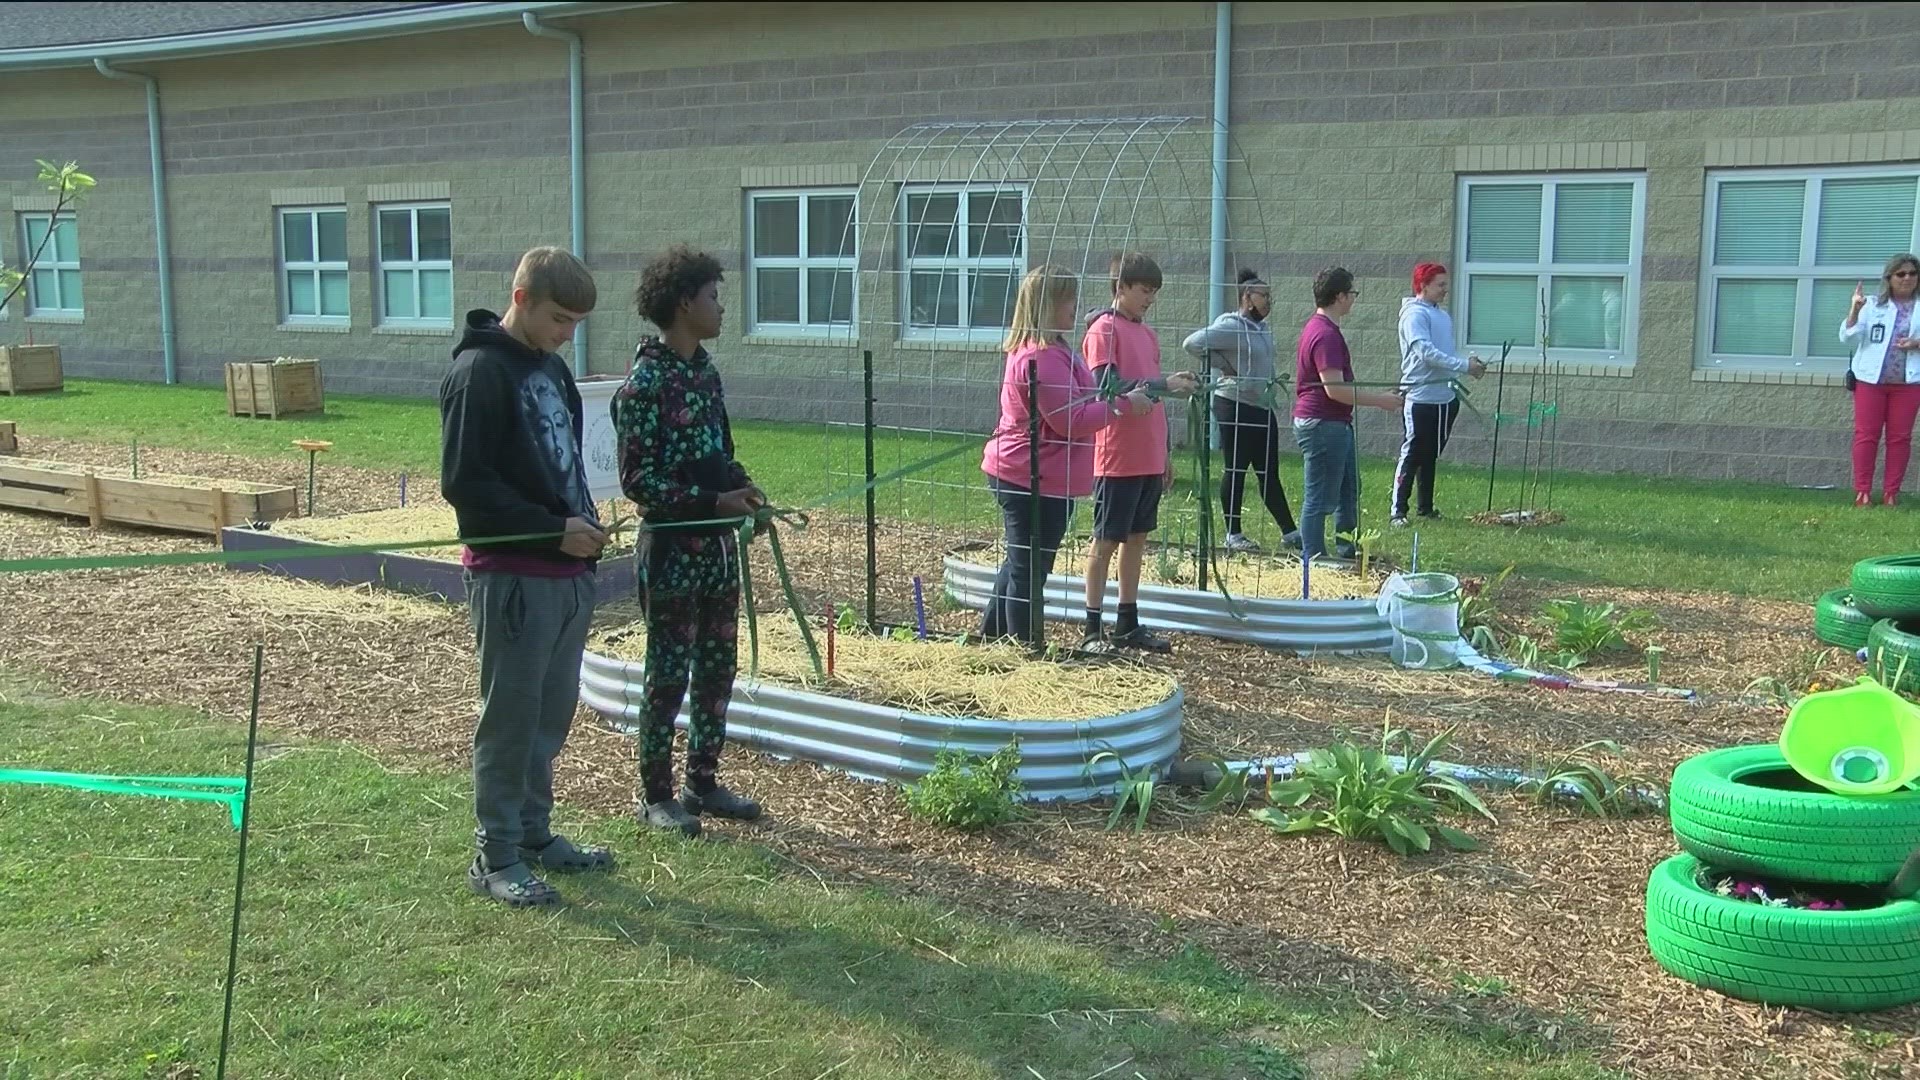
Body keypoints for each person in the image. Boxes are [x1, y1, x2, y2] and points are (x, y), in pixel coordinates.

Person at [440, 246, 610, 908]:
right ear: (521, 299)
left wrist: (582, 527)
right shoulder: (477, 373)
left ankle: (535, 836)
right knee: (509, 719)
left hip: (566, 573)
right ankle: (496, 854)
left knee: (549, 713)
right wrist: (550, 530)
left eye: (575, 323)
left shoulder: (554, 371)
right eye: (558, 318)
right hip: (512, 575)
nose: (566, 334)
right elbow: (465, 484)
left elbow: (561, 465)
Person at [614, 245, 765, 837]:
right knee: (668, 673)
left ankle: (702, 782)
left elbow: (717, 457)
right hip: (675, 553)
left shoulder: (705, 373)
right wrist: (710, 504)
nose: (721, 307)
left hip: (719, 552)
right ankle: (655, 794)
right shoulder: (643, 385)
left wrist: (745, 488)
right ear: (684, 303)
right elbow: (637, 481)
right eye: (713, 297)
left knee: (716, 668)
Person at [979, 265, 1154, 646]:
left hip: (1043, 476)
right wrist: (1122, 406)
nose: (1075, 306)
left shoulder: (1056, 349)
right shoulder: (1039, 358)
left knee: (1020, 561)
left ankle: (993, 637)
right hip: (1028, 476)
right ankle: (1025, 648)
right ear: (1045, 305)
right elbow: (1068, 421)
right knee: (1031, 568)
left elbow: (1081, 402)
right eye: (1066, 299)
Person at [1081, 252, 1198, 653]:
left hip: (1147, 453)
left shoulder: (1146, 334)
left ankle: (1127, 623)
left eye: (1154, 292)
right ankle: (1092, 629)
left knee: (1136, 540)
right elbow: (1106, 387)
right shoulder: (1102, 331)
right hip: (1117, 455)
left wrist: (1164, 452)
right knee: (1105, 541)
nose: (1150, 298)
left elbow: (1152, 393)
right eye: (1145, 290)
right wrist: (1163, 382)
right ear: (1122, 287)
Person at [1183, 268, 1300, 553]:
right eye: (1264, 296)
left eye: (1270, 296)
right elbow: (1193, 343)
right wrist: (1224, 365)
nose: (1269, 302)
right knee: (1236, 468)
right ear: (1247, 297)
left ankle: (1291, 532)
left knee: (1268, 472)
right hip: (1234, 404)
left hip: (1261, 405)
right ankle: (1233, 534)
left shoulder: (1262, 328)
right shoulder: (1231, 325)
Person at [1293, 267, 1403, 562]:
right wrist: (1380, 400)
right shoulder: (1324, 334)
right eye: (1352, 293)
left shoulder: (1325, 330)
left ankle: (1347, 548)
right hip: (1322, 423)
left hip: (1335, 423)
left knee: (1347, 489)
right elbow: (1335, 390)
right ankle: (1313, 557)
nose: (1354, 299)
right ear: (1339, 296)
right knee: (1320, 496)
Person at [1391, 262, 1486, 527]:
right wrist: (1465, 366)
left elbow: (1445, 353)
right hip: (1420, 397)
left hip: (1445, 398)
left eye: (1446, 284)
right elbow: (1426, 353)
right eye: (1440, 285)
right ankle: (1398, 510)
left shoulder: (1442, 316)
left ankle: (1426, 507)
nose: (1445, 290)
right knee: (1412, 453)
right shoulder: (1413, 316)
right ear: (1423, 285)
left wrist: (1467, 362)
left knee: (1430, 454)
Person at [1844, 253, 1920, 508]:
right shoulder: (1873, 304)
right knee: (1866, 436)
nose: (1907, 278)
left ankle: (1891, 493)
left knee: (1900, 438)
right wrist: (1855, 308)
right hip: (1870, 382)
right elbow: (1848, 336)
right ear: (1890, 278)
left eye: (1912, 273)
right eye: (1901, 274)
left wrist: (1916, 344)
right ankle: (1862, 491)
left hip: (1908, 384)